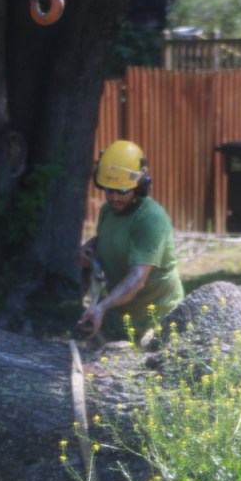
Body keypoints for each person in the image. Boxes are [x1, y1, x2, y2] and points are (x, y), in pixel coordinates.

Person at [76, 140, 184, 341]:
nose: (114, 197)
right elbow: (109, 237)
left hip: (161, 320)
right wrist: (90, 248)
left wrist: (101, 308)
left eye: (122, 191)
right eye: (109, 190)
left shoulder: (150, 220)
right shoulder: (108, 211)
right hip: (124, 318)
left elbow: (137, 279)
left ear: (140, 186)